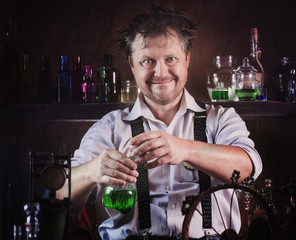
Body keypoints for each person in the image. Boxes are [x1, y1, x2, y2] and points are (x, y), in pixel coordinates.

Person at [57, 5, 262, 240]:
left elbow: (247, 169)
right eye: (147, 61)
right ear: (132, 66)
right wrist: (93, 170)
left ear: (186, 59)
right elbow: (59, 194)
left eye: (170, 58)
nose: (160, 72)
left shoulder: (220, 119)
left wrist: (184, 148)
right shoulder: (109, 128)